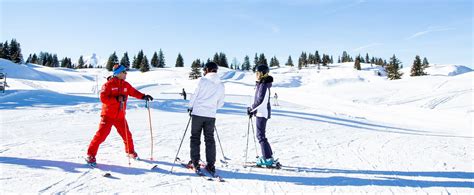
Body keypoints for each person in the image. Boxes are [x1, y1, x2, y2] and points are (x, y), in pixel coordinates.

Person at [85, 64, 154, 165]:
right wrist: (116, 99)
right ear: (118, 74)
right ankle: (90, 155)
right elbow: (103, 99)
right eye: (124, 72)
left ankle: (130, 152)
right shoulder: (108, 85)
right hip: (108, 116)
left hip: (120, 117)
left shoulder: (125, 85)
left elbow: (134, 92)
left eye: (126, 72)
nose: (126, 73)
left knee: (127, 135)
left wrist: (144, 96)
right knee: (101, 136)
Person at [187, 62, 225, 174]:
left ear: (207, 69)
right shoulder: (221, 84)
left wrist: (190, 107)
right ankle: (211, 164)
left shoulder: (202, 80)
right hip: (210, 115)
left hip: (198, 113)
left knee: (195, 138)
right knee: (209, 139)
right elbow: (221, 103)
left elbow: (194, 94)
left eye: (205, 69)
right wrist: (212, 108)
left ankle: (195, 163)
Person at [247, 65, 276, 166]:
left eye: (258, 73)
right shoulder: (262, 84)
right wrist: (252, 109)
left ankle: (267, 158)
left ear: (263, 74)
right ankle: (269, 155)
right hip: (261, 112)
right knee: (262, 136)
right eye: (256, 73)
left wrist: (252, 109)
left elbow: (260, 100)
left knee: (260, 136)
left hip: (262, 112)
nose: (256, 75)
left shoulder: (263, 85)